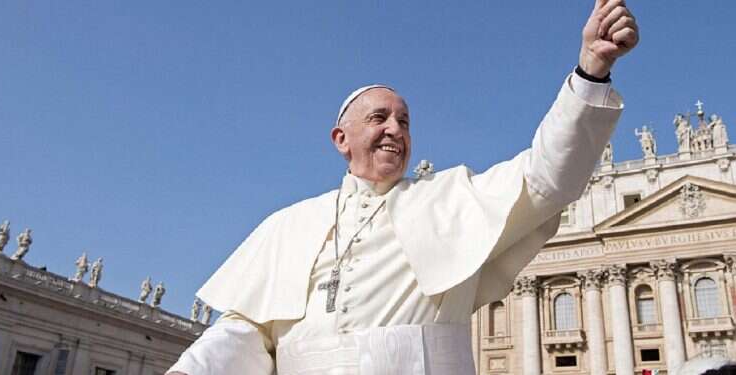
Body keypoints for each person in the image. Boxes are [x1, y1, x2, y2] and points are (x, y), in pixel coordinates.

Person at [168, 0, 639, 373]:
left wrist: (590, 72)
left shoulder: (450, 201)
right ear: (341, 139)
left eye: (405, 121)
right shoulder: (289, 225)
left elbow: (547, 176)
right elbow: (249, 331)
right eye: (379, 118)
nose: (395, 128)